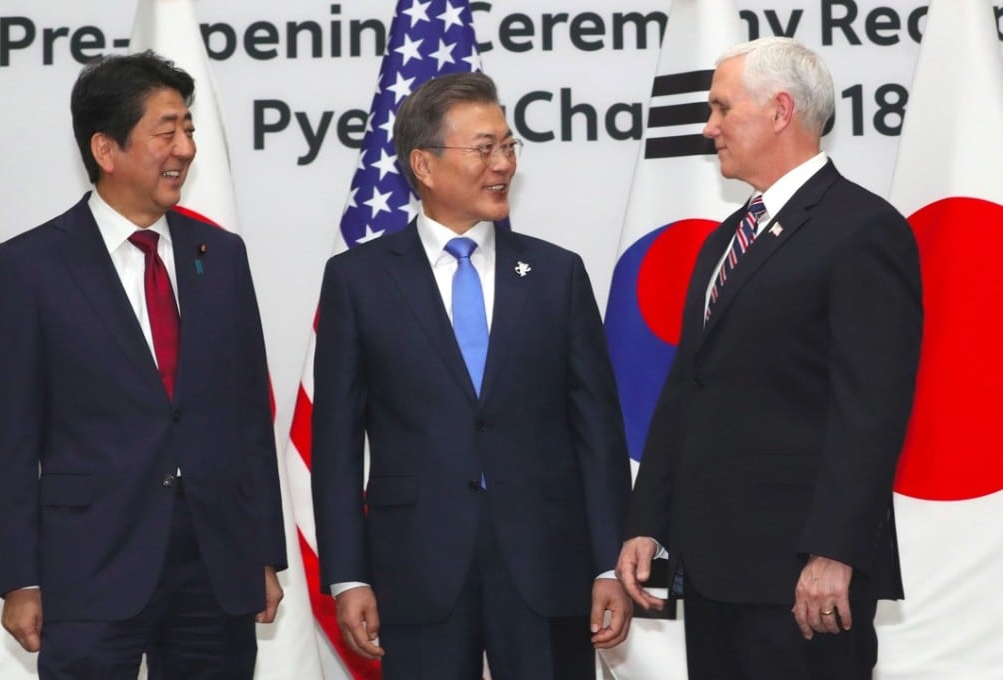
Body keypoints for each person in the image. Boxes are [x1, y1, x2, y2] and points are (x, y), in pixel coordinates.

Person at [616, 37, 922, 679]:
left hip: (802, 579)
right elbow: (686, 391)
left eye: (723, 108)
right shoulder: (725, 240)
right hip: (713, 573)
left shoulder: (864, 229)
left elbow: (870, 411)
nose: (709, 127)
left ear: (781, 110)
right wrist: (647, 522)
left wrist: (834, 553)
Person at [311, 71, 632, 680]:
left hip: (545, 566)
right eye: (484, 148)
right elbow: (336, 444)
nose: (503, 164)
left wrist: (608, 564)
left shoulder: (557, 275)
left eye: (508, 146)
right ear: (423, 167)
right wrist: (348, 574)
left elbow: (598, 433)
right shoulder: (359, 281)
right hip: (416, 569)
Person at [0, 51, 286, 679]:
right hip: (91, 567)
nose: (185, 147)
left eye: (190, 129)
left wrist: (263, 553)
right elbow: (13, 437)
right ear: (106, 147)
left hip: (215, 564)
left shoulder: (221, 256)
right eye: (166, 130)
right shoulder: (30, 266)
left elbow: (248, 415)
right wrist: (20, 579)